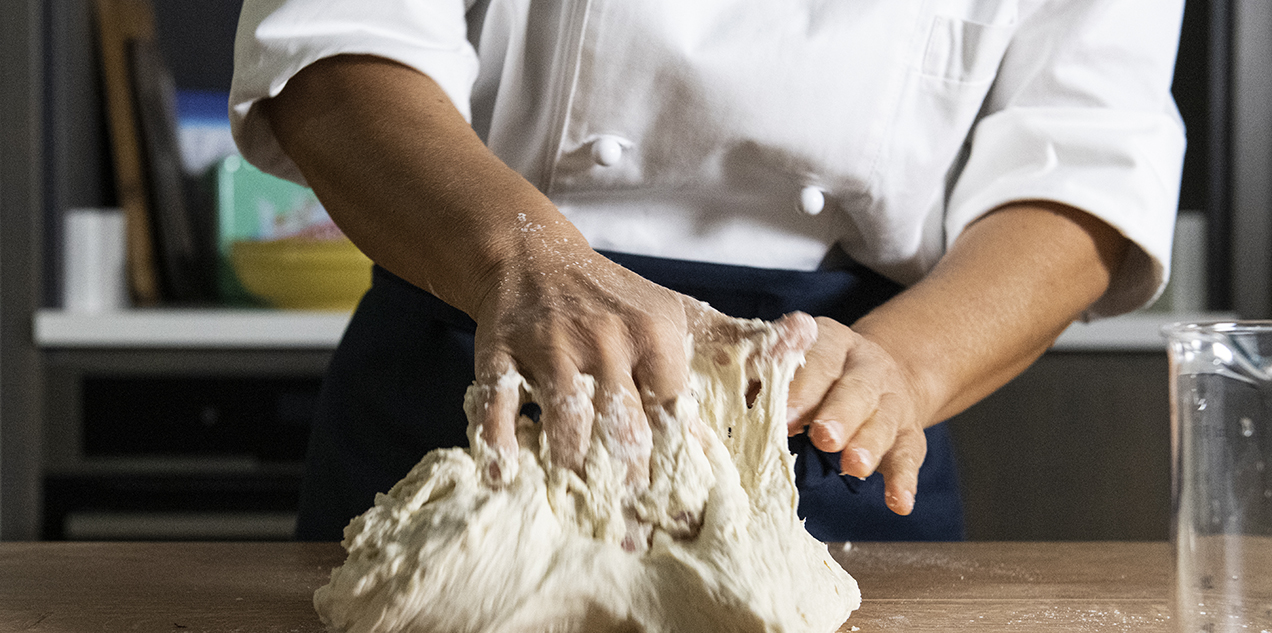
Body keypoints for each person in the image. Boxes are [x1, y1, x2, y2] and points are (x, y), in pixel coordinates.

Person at [229, 1, 1186, 542]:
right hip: (482, 360)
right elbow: (335, 50)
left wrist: (906, 369)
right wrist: (521, 257)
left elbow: (1087, 161)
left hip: (832, 417)